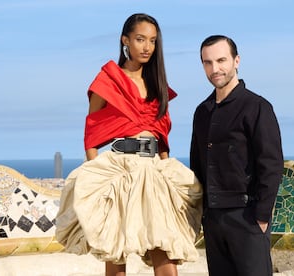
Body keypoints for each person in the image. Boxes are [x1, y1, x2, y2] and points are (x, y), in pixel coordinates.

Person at [55, 13, 202, 276]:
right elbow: (92, 131)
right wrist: (98, 175)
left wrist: (167, 170)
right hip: (121, 171)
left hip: (155, 171)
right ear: (125, 40)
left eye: (153, 41)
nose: (147, 47)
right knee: (116, 252)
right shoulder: (109, 80)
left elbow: (162, 135)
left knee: (166, 252)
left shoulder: (157, 83)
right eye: (140, 39)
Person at [190, 35, 284, 276]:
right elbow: (197, 166)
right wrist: (203, 216)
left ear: (236, 61)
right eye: (207, 63)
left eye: (221, 60)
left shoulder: (257, 107)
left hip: (247, 218)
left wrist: (261, 218)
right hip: (213, 221)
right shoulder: (202, 112)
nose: (215, 69)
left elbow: (271, 164)